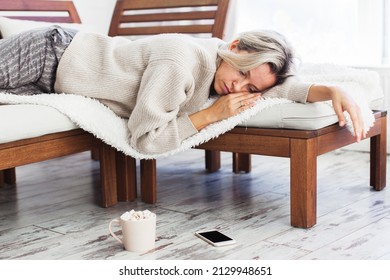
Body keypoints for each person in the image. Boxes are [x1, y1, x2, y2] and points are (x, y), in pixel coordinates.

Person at [0, 26, 365, 154]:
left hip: (53, 77)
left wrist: (333, 90)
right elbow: (145, 140)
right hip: (49, 52)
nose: (236, 89)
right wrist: (210, 116)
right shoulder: (181, 61)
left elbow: (280, 90)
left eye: (249, 87)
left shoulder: (225, 70)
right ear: (234, 46)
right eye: (242, 75)